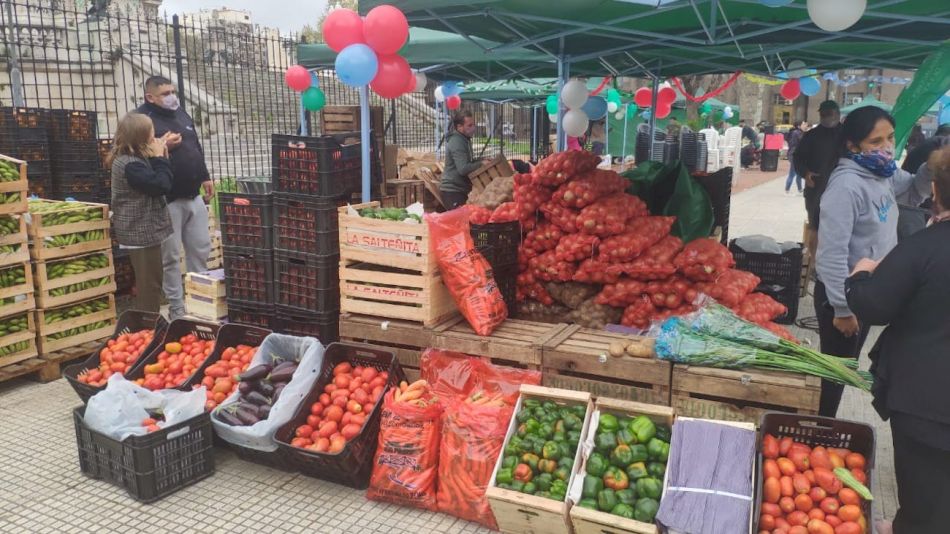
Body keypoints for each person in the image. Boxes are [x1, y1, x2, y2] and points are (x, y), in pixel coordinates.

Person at [845, 146, 950, 534]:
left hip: (927, 401)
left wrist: (860, 275)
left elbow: (874, 305)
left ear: (935, 191)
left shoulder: (924, 247)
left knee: (923, 490)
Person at [814, 106, 930, 417]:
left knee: (845, 368)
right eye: (875, 141)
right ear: (853, 145)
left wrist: (930, 168)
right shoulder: (845, 187)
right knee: (835, 374)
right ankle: (821, 426)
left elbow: (914, 193)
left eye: (890, 138)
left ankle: (825, 423)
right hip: (842, 295)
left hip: (866, 289)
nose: (886, 147)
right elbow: (831, 255)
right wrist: (841, 309)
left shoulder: (884, 172)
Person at [137, 75, 212, 320]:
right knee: (170, 256)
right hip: (167, 199)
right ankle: (177, 306)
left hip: (193, 194)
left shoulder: (181, 114)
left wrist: (205, 176)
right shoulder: (141, 120)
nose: (172, 97)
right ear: (150, 97)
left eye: (173, 92)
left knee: (200, 249)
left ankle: (201, 302)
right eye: (165, 94)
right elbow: (135, 157)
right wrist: (164, 146)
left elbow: (195, 146)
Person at [109, 112, 174, 313]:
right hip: (140, 232)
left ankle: (150, 321)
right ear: (142, 135)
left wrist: (161, 151)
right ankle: (147, 324)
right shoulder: (131, 165)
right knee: (150, 285)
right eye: (151, 130)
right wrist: (159, 158)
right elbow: (160, 185)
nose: (155, 133)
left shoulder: (135, 158)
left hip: (144, 231)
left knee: (153, 280)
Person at [794, 100, 842, 230]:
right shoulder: (811, 135)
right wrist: (805, 173)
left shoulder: (847, 135)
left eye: (829, 114)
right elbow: (797, 157)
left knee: (839, 227)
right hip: (816, 188)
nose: (826, 117)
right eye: (823, 114)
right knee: (816, 227)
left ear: (837, 114)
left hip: (841, 188)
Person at [440, 110, 488, 210]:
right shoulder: (457, 141)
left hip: (460, 190)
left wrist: (481, 160)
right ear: (459, 127)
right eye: (469, 125)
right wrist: (481, 164)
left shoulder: (464, 139)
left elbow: (467, 162)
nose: (473, 128)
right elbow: (463, 169)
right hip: (453, 192)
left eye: (473, 125)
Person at [784, 120, 805, 194]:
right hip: (795, 155)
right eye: (803, 124)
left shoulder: (795, 132)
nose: (805, 125)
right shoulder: (797, 133)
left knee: (799, 173)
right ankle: (787, 189)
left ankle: (800, 189)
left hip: (796, 154)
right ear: (799, 126)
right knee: (792, 173)